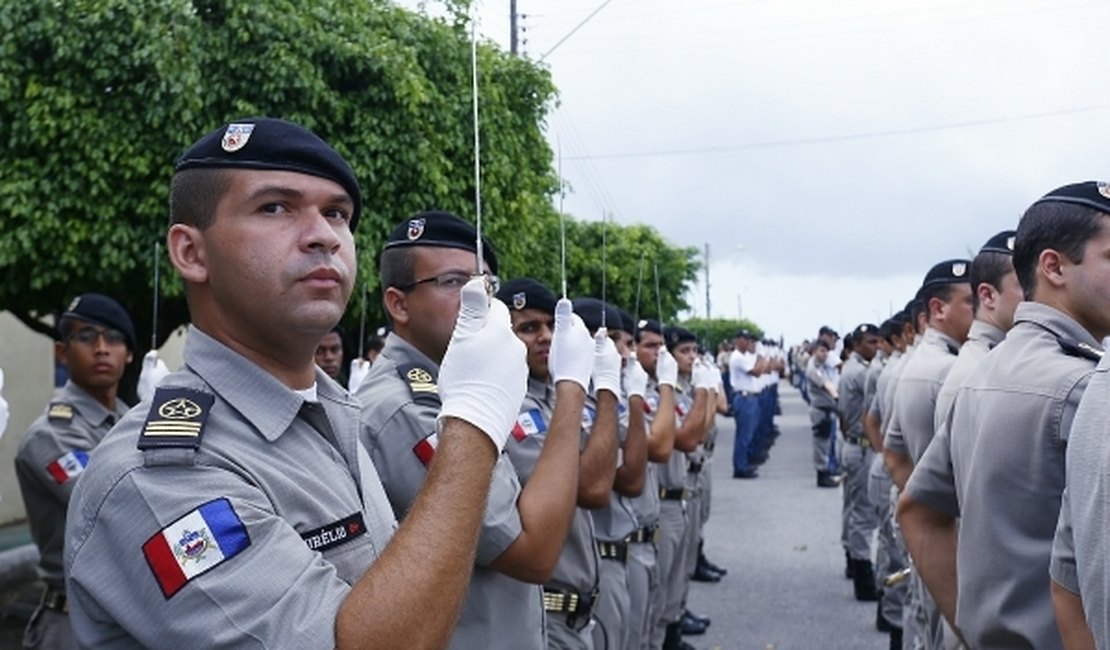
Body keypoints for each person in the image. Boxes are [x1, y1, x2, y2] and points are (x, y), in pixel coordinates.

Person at [64, 118, 528, 648]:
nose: (324, 236)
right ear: (191, 253)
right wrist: (472, 420)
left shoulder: (332, 415)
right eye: (275, 208)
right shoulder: (156, 475)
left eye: (337, 213)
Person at [356, 214, 591, 649]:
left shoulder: (456, 385)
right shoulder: (407, 407)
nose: (479, 301)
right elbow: (533, 553)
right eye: (454, 283)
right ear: (398, 304)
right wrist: (572, 386)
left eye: (487, 286)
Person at [920, 182, 1106, 649]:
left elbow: (920, 512)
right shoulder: (1087, 389)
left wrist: (970, 628)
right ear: (1054, 266)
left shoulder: (982, 372)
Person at [15, 293, 135, 649]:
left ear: (129, 354)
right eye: (86, 336)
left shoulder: (131, 422)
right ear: (62, 353)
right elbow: (116, 503)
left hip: (130, 621)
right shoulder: (49, 434)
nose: (101, 348)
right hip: (73, 626)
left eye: (114, 338)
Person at [837, 323, 881, 602]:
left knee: (852, 507)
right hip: (862, 447)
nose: (875, 347)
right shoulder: (863, 373)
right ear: (856, 345)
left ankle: (853, 560)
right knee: (863, 513)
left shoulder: (850, 368)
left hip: (852, 443)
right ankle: (863, 576)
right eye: (870, 342)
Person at [729, 329, 765, 479]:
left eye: (748, 339)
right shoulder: (737, 357)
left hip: (750, 398)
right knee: (744, 435)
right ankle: (740, 467)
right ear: (736, 340)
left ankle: (743, 463)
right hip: (744, 398)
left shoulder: (744, 356)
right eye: (743, 338)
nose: (747, 341)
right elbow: (757, 372)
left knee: (747, 434)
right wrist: (762, 358)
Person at [806, 340, 839, 487]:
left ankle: (827, 470)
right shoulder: (813, 368)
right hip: (820, 410)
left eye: (826, 351)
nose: (825, 354)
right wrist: (838, 398)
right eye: (821, 351)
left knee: (827, 442)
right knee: (821, 443)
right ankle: (822, 474)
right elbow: (827, 386)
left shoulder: (823, 366)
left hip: (827, 409)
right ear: (814, 352)